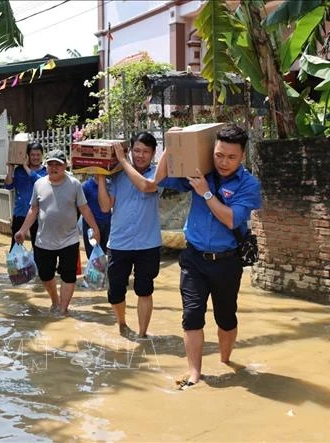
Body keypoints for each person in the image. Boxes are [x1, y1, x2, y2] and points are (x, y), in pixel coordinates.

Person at [159, 124, 262, 390]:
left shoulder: (248, 185)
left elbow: (230, 219)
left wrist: (205, 192)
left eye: (231, 157)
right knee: (192, 316)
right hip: (193, 258)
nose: (224, 162)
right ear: (212, 151)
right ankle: (194, 373)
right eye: (219, 155)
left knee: (226, 318)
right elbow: (159, 179)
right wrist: (171, 144)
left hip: (227, 261)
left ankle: (226, 359)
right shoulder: (199, 172)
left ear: (242, 157)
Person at [15, 150, 100, 315]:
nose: (54, 168)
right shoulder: (39, 184)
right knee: (46, 275)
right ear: (46, 166)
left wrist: (95, 228)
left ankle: (62, 309)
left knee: (69, 276)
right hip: (43, 240)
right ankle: (55, 300)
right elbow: (33, 209)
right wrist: (22, 230)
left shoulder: (74, 184)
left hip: (69, 240)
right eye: (51, 164)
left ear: (64, 166)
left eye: (58, 165)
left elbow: (84, 208)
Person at [97, 132, 163, 338]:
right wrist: (100, 178)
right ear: (130, 150)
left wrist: (124, 161)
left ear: (153, 154)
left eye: (145, 152)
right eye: (136, 150)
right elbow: (106, 207)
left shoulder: (158, 174)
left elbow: (145, 186)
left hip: (148, 243)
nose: (140, 155)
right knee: (115, 291)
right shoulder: (117, 175)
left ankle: (143, 334)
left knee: (145, 290)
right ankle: (122, 324)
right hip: (119, 243)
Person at [4, 141, 47, 251]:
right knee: (15, 244)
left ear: (42, 155)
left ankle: (38, 267)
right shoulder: (19, 171)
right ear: (27, 155)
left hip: (38, 214)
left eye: (38, 155)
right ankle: (15, 268)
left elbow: (40, 182)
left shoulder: (45, 172)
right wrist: (10, 168)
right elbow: (8, 186)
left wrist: (25, 166)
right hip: (20, 212)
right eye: (32, 155)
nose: (35, 157)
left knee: (37, 246)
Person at [81, 175, 111, 258]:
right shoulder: (85, 186)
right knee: (93, 257)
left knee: (107, 255)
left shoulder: (110, 185)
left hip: (108, 225)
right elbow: (82, 207)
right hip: (90, 226)